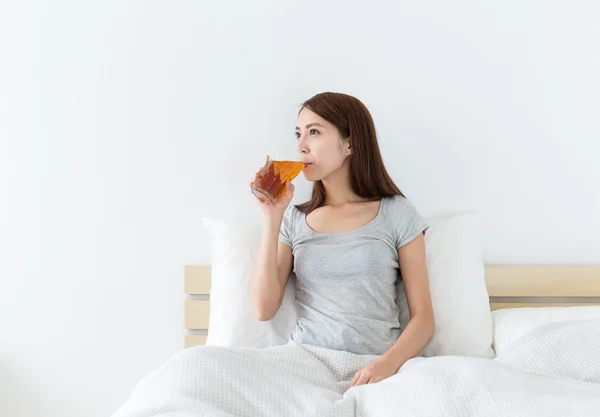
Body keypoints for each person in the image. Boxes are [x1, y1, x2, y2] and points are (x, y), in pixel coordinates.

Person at [249, 92, 434, 389]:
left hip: (378, 365)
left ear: (350, 144)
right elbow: (263, 309)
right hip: (306, 362)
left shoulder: (397, 213)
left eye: (314, 132)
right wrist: (272, 216)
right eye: (299, 134)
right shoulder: (293, 220)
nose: (301, 146)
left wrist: (386, 364)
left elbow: (423, 319)